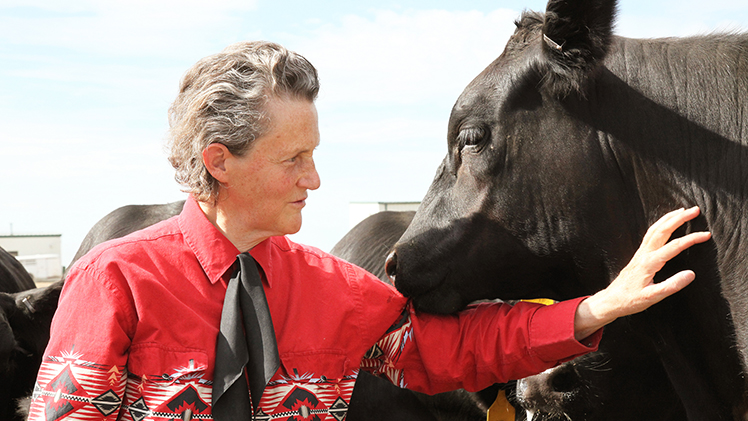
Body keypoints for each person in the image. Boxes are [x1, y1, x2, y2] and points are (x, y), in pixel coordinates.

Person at [27, 41, 710, 421]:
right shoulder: (113, 280)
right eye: (293, 158)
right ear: (220, 162)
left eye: (314, 154)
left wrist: (599, 305)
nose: (314, 179)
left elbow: (454, 347)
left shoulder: (331, 291)